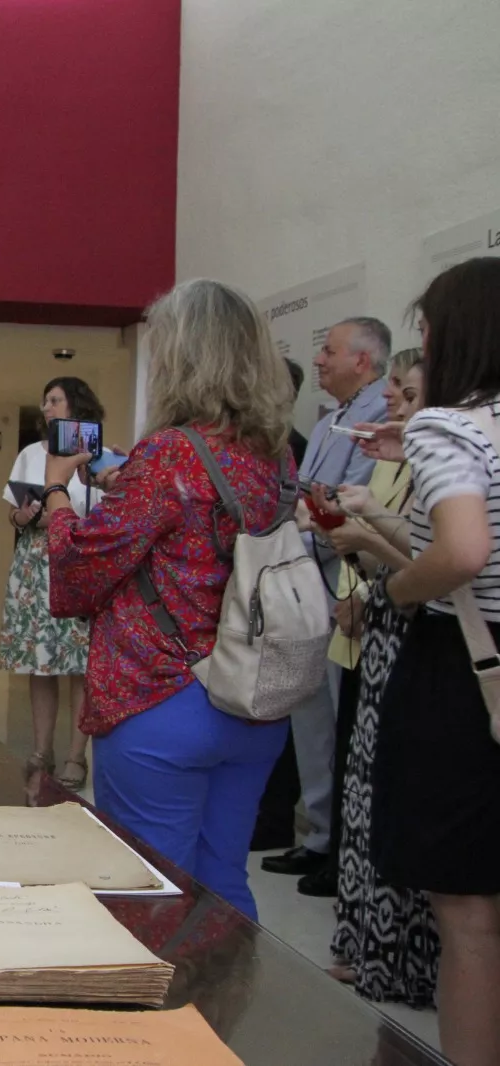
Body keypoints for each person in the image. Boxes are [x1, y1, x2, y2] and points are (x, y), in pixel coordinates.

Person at [43, 278, 293, 920]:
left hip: (161, 698)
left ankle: (153, 1021)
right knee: (223, 888)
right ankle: (220, 1018)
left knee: (147, 892)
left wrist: (56, 497)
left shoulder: (170, 453)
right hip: (253, 698)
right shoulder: (274, 456)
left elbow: (78, 574)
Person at [367, 257, 500, 1065]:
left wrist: (402, 588)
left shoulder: (450, 425)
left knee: (472, 919)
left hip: (468, 675)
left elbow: (462, 549)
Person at [308, 349, 438, 1005]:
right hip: (376, 627)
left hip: (413, 642)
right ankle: (364, 945)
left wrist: (361, 536)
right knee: (364, 800)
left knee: (393, 802)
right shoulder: (399, 464)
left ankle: (396, 956)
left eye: (409, 393)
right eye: (394, 389)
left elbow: (429, 565)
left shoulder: (446, 472)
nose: (395, 401)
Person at [262, 317, 390, 883]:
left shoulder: (375, 422)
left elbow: (343, 504)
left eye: (329, 351)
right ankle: (316, 833)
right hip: (307, 584)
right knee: (310, 713)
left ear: (362, 360)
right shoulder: (331, 420)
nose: (318, 361)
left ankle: (340, 844)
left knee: (340, 719)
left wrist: (309, 511)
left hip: (346, 584)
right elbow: (303, 497)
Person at [0, 377, 107, 790]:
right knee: (41, 663)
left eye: (55, 400)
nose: (46, 408)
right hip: (35, 562)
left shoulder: (96, 457)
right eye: (44, 400)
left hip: (78, 561)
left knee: (82, 664)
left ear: (76, 405)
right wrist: (23, 517)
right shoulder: (29, 453)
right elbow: (12, 511)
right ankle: (42, 749)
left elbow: (107, 510)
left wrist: (64, 515)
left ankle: (77, 757)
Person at [250, 358, 312, 851]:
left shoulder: (287, 451)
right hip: (267, 604)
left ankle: (275, 823)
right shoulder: (259, 448)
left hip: (283, 603)